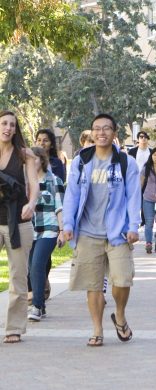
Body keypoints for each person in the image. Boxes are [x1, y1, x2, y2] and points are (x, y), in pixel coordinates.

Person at [63, 113, 141, 347]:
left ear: (114, 134)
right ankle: (97, 329)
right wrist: (67, 224)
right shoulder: (81, 161)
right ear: (92, 132)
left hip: (118, 233)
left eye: (107, 128)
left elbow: (133, 197)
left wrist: (133, 226)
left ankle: (119, 313)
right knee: (93, 285)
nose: (101, 132)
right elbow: (72, 195)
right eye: (97, 128)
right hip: (87, 232)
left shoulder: (127, 163)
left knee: (122, 281)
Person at [0, 110, 39, 343]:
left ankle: (13, 328)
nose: (8, 128)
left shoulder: (25, 155)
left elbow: (34, 185)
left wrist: (32, 204)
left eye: (12, 125)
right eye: (4, 123)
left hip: (19, 222)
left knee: (17, 277)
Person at [27, 147, 65, 322]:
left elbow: (60, 207)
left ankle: (35, 306)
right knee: (31, 269)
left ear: (41, 160)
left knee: (37, 265)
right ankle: (40, 306)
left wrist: (62, 231)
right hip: (30, 231)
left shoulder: (53, 180)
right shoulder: (25, 183)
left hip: (49, 229)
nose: (30, 163)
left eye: (34, 159)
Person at [34, 128, 66, 300]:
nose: (41, 143)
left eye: (45, 140)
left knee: (40, 262)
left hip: (49, 224)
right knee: (33, 264)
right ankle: (38, 291)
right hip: (31, 226)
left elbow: (59, 199)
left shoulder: (55, 165)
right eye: (39, 140)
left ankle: (39, 298)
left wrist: (62, 230)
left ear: (51, 143)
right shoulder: (26, 176)